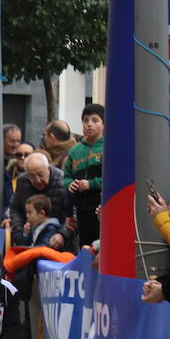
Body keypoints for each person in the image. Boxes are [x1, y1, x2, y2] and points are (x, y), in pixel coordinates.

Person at [64, 103, 105, 243]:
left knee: (101, 244)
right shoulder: (74, 151)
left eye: (95, 120)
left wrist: (91, 184)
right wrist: (70, 184)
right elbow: (66, 176)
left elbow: (113, 179)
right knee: (85, 245)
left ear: (104, 124)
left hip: (102, 207)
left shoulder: (110, 148)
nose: (89, 124)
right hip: (81, 208)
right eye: (85, 120)